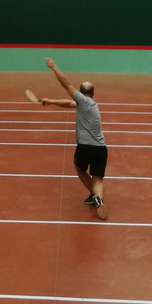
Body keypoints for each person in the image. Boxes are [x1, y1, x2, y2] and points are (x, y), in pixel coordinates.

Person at [40, 57, 108, 219]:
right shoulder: (91, 103)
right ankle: (97, 199)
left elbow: (66, 84)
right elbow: (69, 103)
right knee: (97, 178)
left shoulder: (82, 100)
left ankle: (94, 194)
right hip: (101, 148)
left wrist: (54, 67)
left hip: (86, 146)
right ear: (93, 93)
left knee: (79, 167)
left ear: (80, 93)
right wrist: (51, 101)